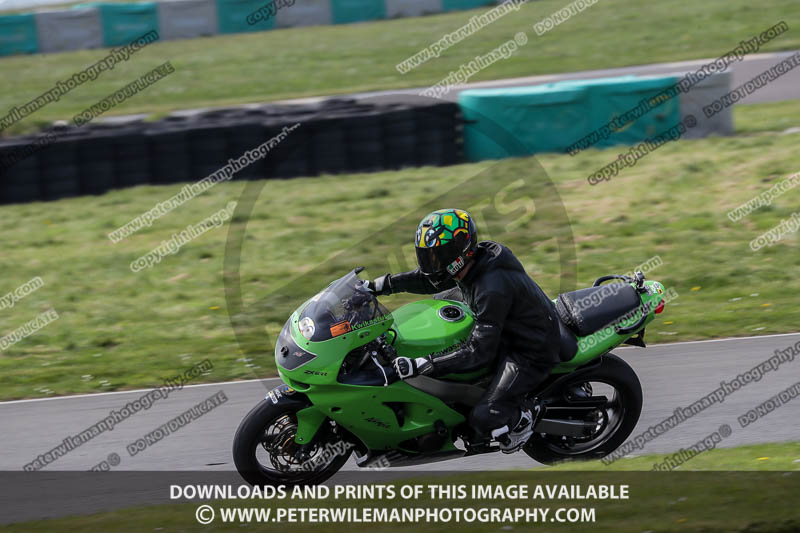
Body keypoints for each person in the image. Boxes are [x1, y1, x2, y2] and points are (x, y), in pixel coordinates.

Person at [368, 208, 562, 453]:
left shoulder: (491, 287)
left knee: (484, 417)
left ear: (459, 252)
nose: (432, 264)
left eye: (437, 256)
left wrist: (423, 364)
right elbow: (427, 279)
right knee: (438, 303)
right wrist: (378, 286)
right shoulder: (471, 262)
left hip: (530, 348)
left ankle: (524, 418)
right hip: (503, 327)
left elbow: (478, 352)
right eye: (428, 256)